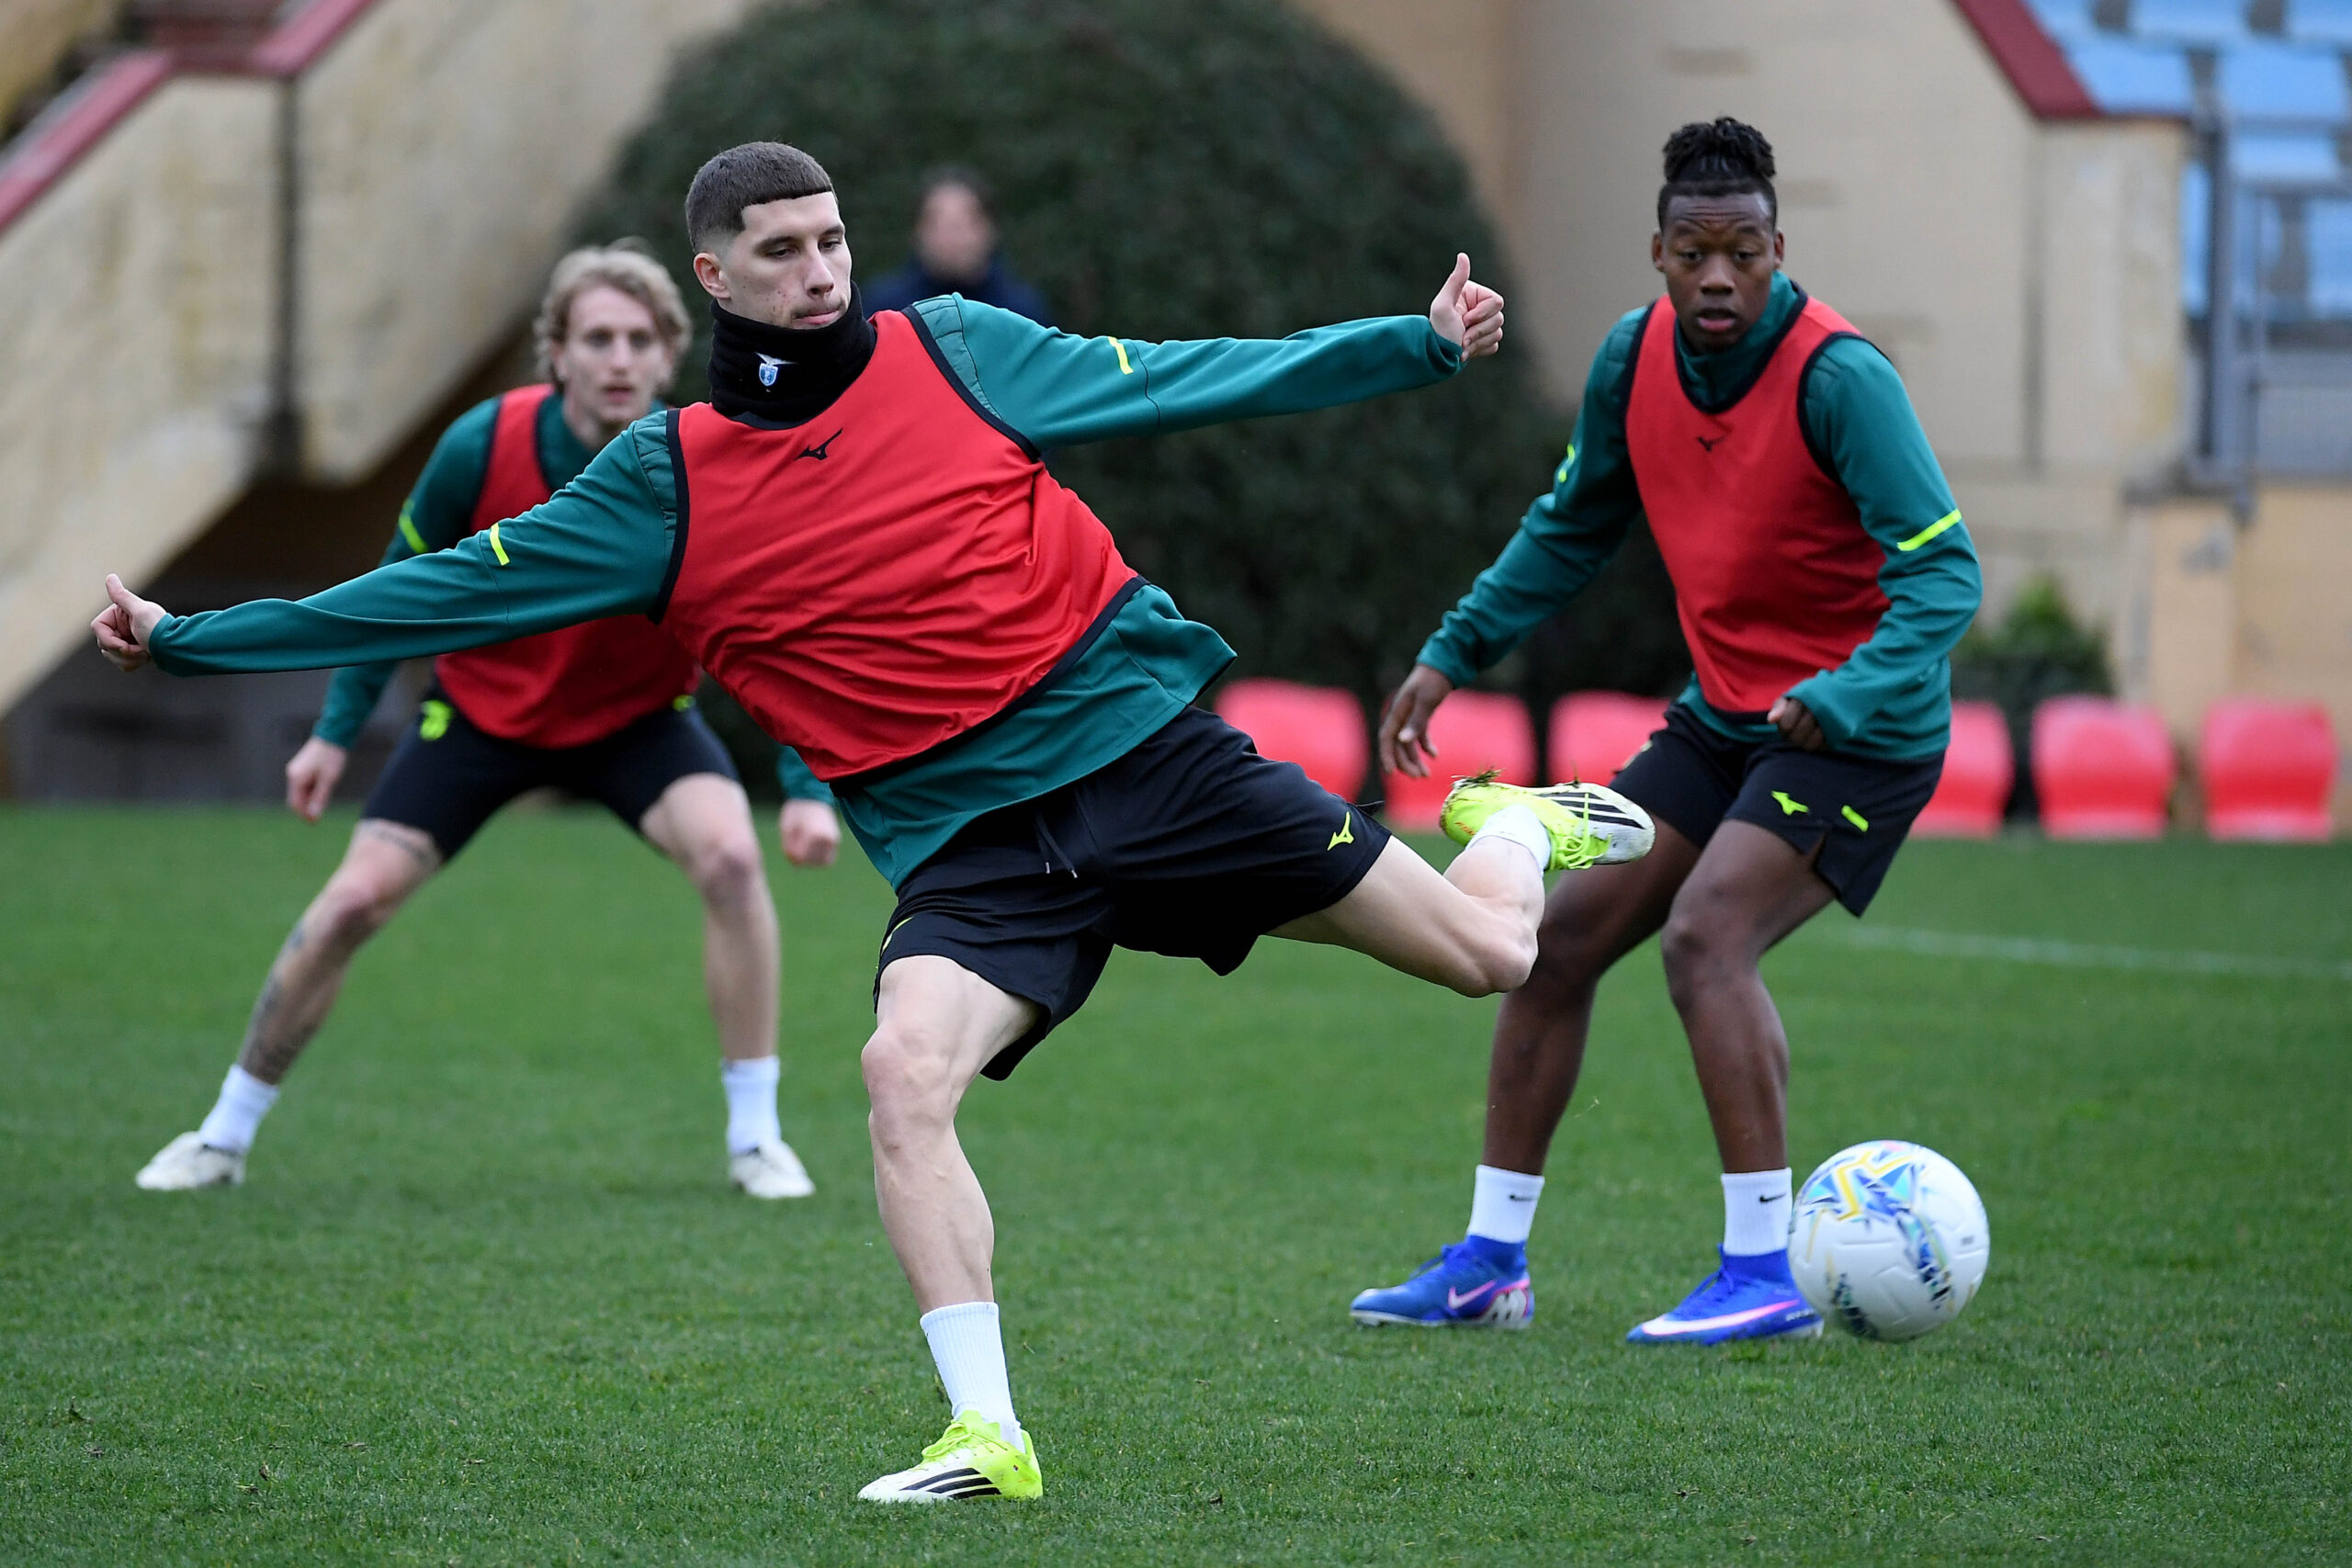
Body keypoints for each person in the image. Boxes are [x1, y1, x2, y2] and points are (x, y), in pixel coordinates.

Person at [93, 141, 1655, 1502]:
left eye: (835, 237)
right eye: (782, 249)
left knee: (1492, 954)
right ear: (716, 277)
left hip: (1143, 760)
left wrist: (1413, 344)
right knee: (902, 1074)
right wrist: (191, 639)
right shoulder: (662, 485)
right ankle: (986, 1428)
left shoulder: (957, 346)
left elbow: (1184, 374)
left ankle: (1517, 825)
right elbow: (430, 590)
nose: (823, 268)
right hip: (979, 849)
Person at [1350, 118, 1983, 1345]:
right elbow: (1573, 524)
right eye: (1695, 254)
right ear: (1658, 254)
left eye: (1744, 252)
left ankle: (1765, 1273)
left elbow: (1944, 574)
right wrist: (1452, 650)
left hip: (1861, 734)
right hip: (1725, 715)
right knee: (1549, 940)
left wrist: (1846, 693)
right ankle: (1489, 1264)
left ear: (1778, 249)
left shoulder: (1840, 379)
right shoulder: (1631, 356)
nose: (1718, 277)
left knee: (1705, 939)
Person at [130, 243, 842, 1203]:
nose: (619, 359)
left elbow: (772, 634)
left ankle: (757, 1139)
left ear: (670, 352)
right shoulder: (483, 443)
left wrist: (804, 789)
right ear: (558, 353)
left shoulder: (701, 460)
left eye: (640, 340)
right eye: (597, 338)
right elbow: (396, 592)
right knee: (349, 904)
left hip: (636, 722)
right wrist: (335, 730)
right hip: (480, 718)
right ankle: (222, 1135)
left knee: (732, 861)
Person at [862, 165, 1050, 323]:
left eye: (965, 222)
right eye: (938, 223)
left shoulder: (1021, 313)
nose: (952, 236)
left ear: (992, 229)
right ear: (916, 232)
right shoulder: (887, 312)